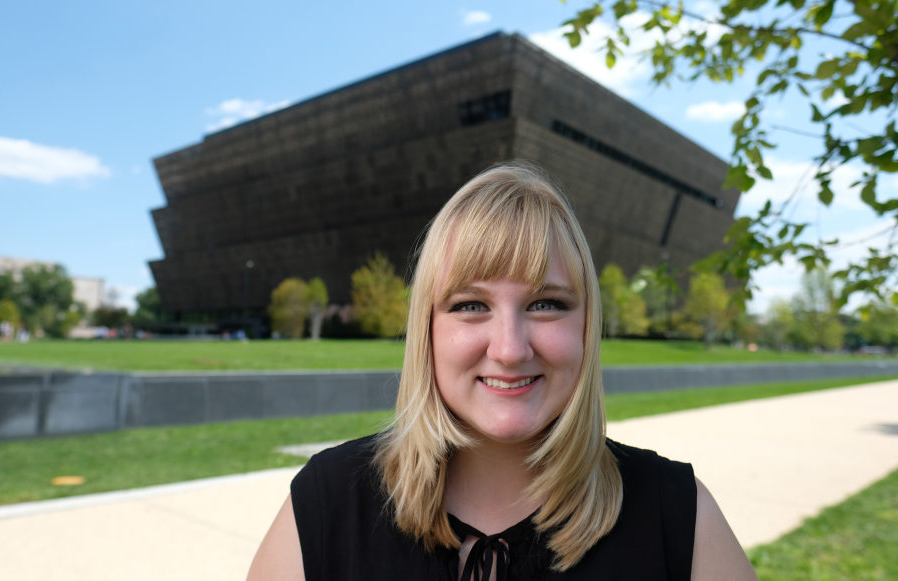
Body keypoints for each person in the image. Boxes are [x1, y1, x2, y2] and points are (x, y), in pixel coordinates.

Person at [248, 163, 757, 580]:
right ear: (427, 330)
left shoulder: (678, 516)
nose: (510, 349)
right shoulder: (327, 505)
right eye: (470, 305)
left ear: (588, 327)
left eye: (546, 304)